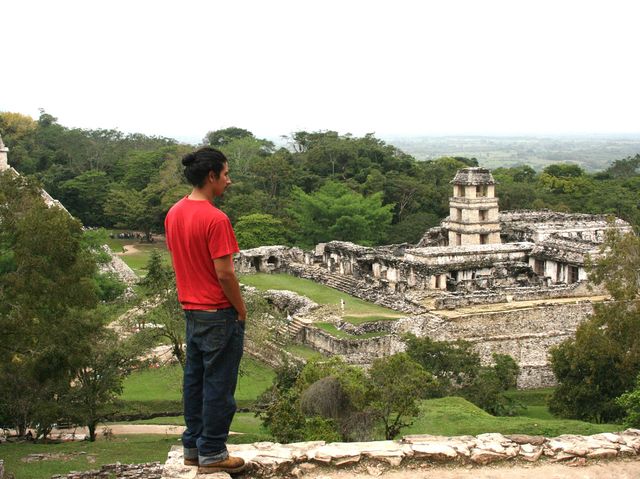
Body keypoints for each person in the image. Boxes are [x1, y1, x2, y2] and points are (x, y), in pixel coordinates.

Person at [164, 147, 247, 475]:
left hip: (191, 310)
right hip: (217, 312)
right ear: (211, 176)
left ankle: (192, 446)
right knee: (219, 386)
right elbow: (225, 273)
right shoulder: (215, 219)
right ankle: (212, 450)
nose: (228, 180)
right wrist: (240, 310)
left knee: (195, 381)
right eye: (225, 174)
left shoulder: (174, 213)